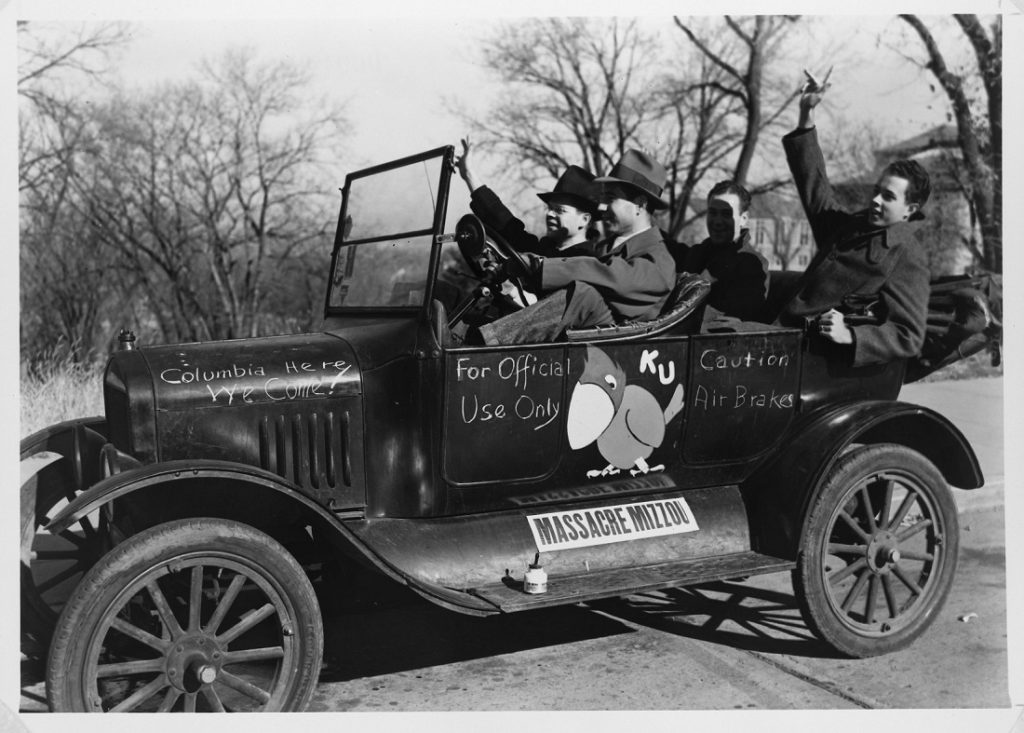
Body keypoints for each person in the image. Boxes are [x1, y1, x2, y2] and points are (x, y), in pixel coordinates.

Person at [775, 68, 932, 367]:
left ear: (909, 210)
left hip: (811, 357)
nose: (874, 200)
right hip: (780, 334)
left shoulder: (907, 255)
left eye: (888, 197)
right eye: (877, 191)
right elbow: (816, 190)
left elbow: (908, 334)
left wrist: (851, 336)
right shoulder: (854, 228)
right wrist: (806, 113)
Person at [475, 149, 676, 346]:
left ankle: (478, 343)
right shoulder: (608, 248)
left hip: (613, 360)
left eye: (611, 198)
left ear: (640, 204)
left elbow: (609, 277)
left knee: (586, 295)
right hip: (576, 350)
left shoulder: (659, 259)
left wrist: (541, 266)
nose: (602, 207)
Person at [455, 137, 598, 258]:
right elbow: (507, 226)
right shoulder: (544, 251)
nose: (550, 214)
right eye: (550, 208)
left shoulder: (590, 265)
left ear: (584, 220)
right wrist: (469, 175)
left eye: (560, 210)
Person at [681, 180, 769, 322]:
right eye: (713, 213)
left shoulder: (752, 265)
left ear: (743, 219)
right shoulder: (696, 253)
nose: (717, 221)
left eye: (726, 214)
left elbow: (737, 322)